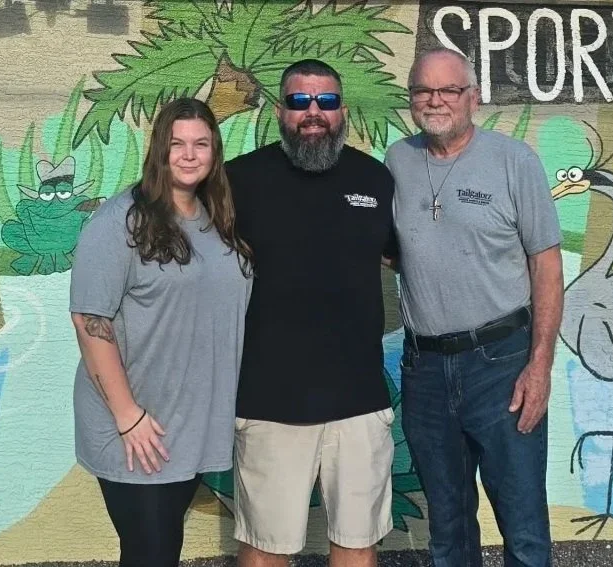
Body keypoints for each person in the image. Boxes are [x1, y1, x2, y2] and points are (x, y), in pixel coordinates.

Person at [383, 47, 564, 567]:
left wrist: (540, 365)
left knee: (523, 525)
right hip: (424, 369)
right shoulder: (397, 162)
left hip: (501, 364)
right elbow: (395, 249)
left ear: (473, 97)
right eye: (423, 90)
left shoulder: (514, 161)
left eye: (449, 90)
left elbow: (547, 267)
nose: (435, 100)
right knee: (448, 527)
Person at [225, 59, 398, 567]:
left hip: (360, 399)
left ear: (343, 110)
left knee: (357, 543)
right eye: (299, 101)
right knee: (265, 549)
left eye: (326, 100)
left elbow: (408, 255)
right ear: (280, 111)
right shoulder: (239, 180)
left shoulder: (376, 180)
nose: (313, 112)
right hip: (269, 401)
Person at [68, 97, 254, 567]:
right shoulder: (120, 222)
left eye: (201, 144)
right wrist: (128, 416)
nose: (189, 155)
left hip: (189, 426)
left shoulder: (217, 219)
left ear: (215, 151)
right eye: (177, 144)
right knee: (150, 554)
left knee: (162, 548)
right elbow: (90, 321)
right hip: (137, 425)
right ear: (158, 150)